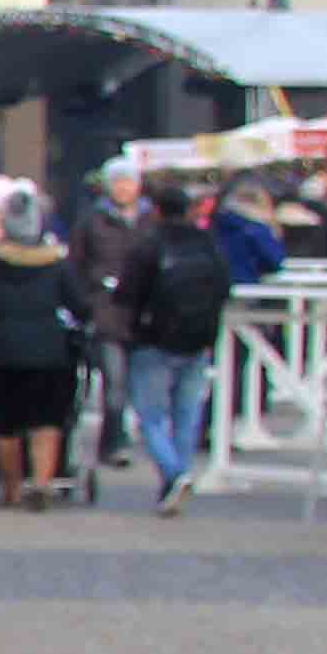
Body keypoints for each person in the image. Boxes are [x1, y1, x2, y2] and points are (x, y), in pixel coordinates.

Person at [0, 186, 91, 508]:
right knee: (47, 420)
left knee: (5, 423)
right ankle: (42, 483)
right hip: (50, 352)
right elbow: (81, 307)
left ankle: (12, 488)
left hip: (3, 352)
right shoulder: (57, 264)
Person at [119, 176, 237, 510]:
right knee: (186, 414)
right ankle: (179, 475)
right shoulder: (207, 243)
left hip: (153, 339)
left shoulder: (148, 244)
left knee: (151, 416)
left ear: (156, 210)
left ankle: (173, 474)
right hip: (198, 338)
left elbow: (128, 293)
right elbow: (225, 286)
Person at [69, 161, 159, 492]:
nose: (123, 188)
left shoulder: (152, 221)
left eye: (128, 182)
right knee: (114, 385)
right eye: (117, 182)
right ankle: (113, 444)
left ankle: (136, 440)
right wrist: (86, 303)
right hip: (106, 312)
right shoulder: (91, 221)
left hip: (144, 314)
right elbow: (75, 266)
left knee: (142, 385)